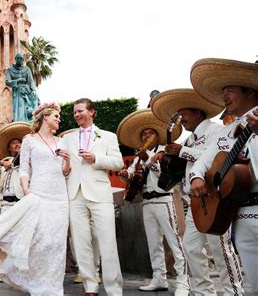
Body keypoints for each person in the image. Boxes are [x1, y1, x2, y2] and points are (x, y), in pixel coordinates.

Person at [151, 88, 243, 295]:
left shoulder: (215, 130)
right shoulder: (190, 138)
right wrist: (161, 159)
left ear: (198, 113)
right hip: (194, 201)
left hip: (215, 199)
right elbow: (179, 164)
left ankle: (234, 292)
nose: (182, 119)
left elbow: (218, 157)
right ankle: (204, 292)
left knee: (221, 251)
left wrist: (182, 151)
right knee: (191, 247)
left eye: (184, 114)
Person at [0, 102, 70, 295]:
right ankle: (37, 283)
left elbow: (66, 172)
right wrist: (27, 190)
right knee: (40, 240)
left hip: (60, 196)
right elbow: (24, 169)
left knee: (57, 242)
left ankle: (54, 287)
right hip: (39, 192)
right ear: (45, 117)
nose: (59, 119)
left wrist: (67, 161)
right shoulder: (29, 140)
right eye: (56, 116)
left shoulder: (62, 142)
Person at [189, 58, 258, 292]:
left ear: (250, 91)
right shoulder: (226, 130)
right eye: (223, 91)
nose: (225, 96)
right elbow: (203, 161)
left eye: (230, 90)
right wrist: (197, 177)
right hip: (239, 215)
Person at [118, 109, 190, 296]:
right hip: (146, 202)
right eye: (143, 134)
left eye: (150, 132)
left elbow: (165, 175)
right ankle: (159, 279)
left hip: (164, 200)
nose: (146, 135)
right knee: (153, 242)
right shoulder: (138, 157)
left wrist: (148, 160)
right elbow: (132, 180)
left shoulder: (166, 152)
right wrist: (125, 175)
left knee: (175, 240)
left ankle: (184, 281)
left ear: (157, 136)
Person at [60, 98, 123, 296]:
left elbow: (118, 162)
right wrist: (66, 168)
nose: (76, 115)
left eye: (80, 111)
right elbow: (64, 169)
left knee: (107, 242)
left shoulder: (107, 136)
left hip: (100, 193)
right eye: (74, 113)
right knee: (80, 243)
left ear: (92, 112)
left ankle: (114, 289)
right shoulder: (67, 139)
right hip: (74, 193)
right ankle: (90, 287)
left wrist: (96, 159)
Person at [0, 121, 31, 283]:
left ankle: (19, 270)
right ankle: (4, 271)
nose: (16, 145)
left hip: (20, 203)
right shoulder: (5, 160)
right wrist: (1, 163)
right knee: (1, 237)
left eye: (19, 143)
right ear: (9, 148)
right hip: (5, 204)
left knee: (20, 237)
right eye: (13, 144)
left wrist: (16, 163)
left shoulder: (26, 161)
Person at [5, 53, 39, 122]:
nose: (20, 60)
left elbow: (31, 81)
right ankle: (18, 122)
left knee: (26, 106)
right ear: (15, 59)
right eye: (18, 58)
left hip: (25, 91)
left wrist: (34, 90)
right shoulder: (10, 70)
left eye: (21, 59)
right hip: (16, 92)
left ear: (23, 60)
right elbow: (7, 82)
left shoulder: (27, 69)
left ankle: (25, 121)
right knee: (17, 108)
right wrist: (18, 80)